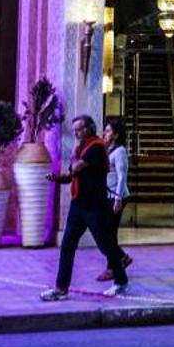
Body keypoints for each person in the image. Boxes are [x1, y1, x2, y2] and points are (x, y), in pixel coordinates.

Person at [41, 115, 129, 299]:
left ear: (89, 128)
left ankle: (121, 281)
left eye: (79, 129)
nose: (75, 132)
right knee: (67, 245)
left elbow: (77, 167)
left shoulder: (96, 146)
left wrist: (73, 155)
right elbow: (72, 175)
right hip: (78, 204)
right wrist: (56, 178)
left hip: (93, 205)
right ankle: (61, 289)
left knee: (105, 244)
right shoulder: (83, 147)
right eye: (74, 129)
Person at [97, 119, 135, 282]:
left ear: (116, 134)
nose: (104, 133)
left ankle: (112, 267)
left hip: (117, 196)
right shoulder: (106, 149)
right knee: (106, 233)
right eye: (104, 130)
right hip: (107, 196)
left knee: (108, 234)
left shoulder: (119, 152)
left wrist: (118, 198)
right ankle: (122, 258)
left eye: (108, 131)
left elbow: (121, 177)